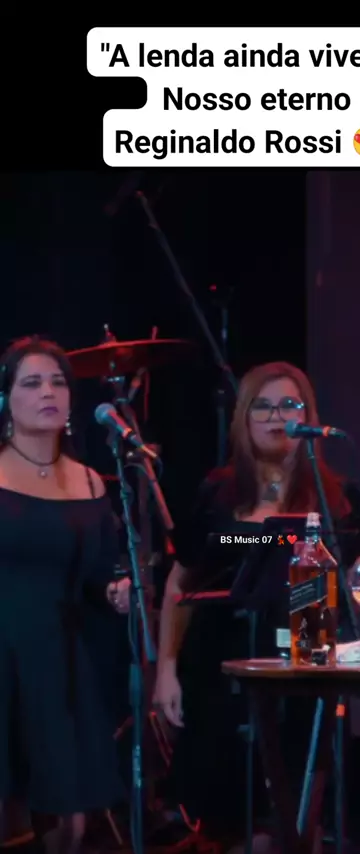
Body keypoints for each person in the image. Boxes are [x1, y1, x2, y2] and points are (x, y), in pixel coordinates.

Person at [154, 361, 360, 854]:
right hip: (223, 674)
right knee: (232, 824)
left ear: (308, 416)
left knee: (299, 816)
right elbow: (179, 583)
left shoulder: (337, 498)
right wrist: (166, 669)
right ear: (244, 418)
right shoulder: (219, 495)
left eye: (290, 405)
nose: (278, 417)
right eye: (264, 406)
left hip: (308, 673)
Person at [0, 336, 131, 854]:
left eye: (58, 382)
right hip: (5, 652)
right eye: (32, 383)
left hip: (62, 662)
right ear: (6, 398)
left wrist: (115, 590)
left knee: (69, 825)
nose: (48, 392)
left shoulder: (90, 482)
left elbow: (100, 573)